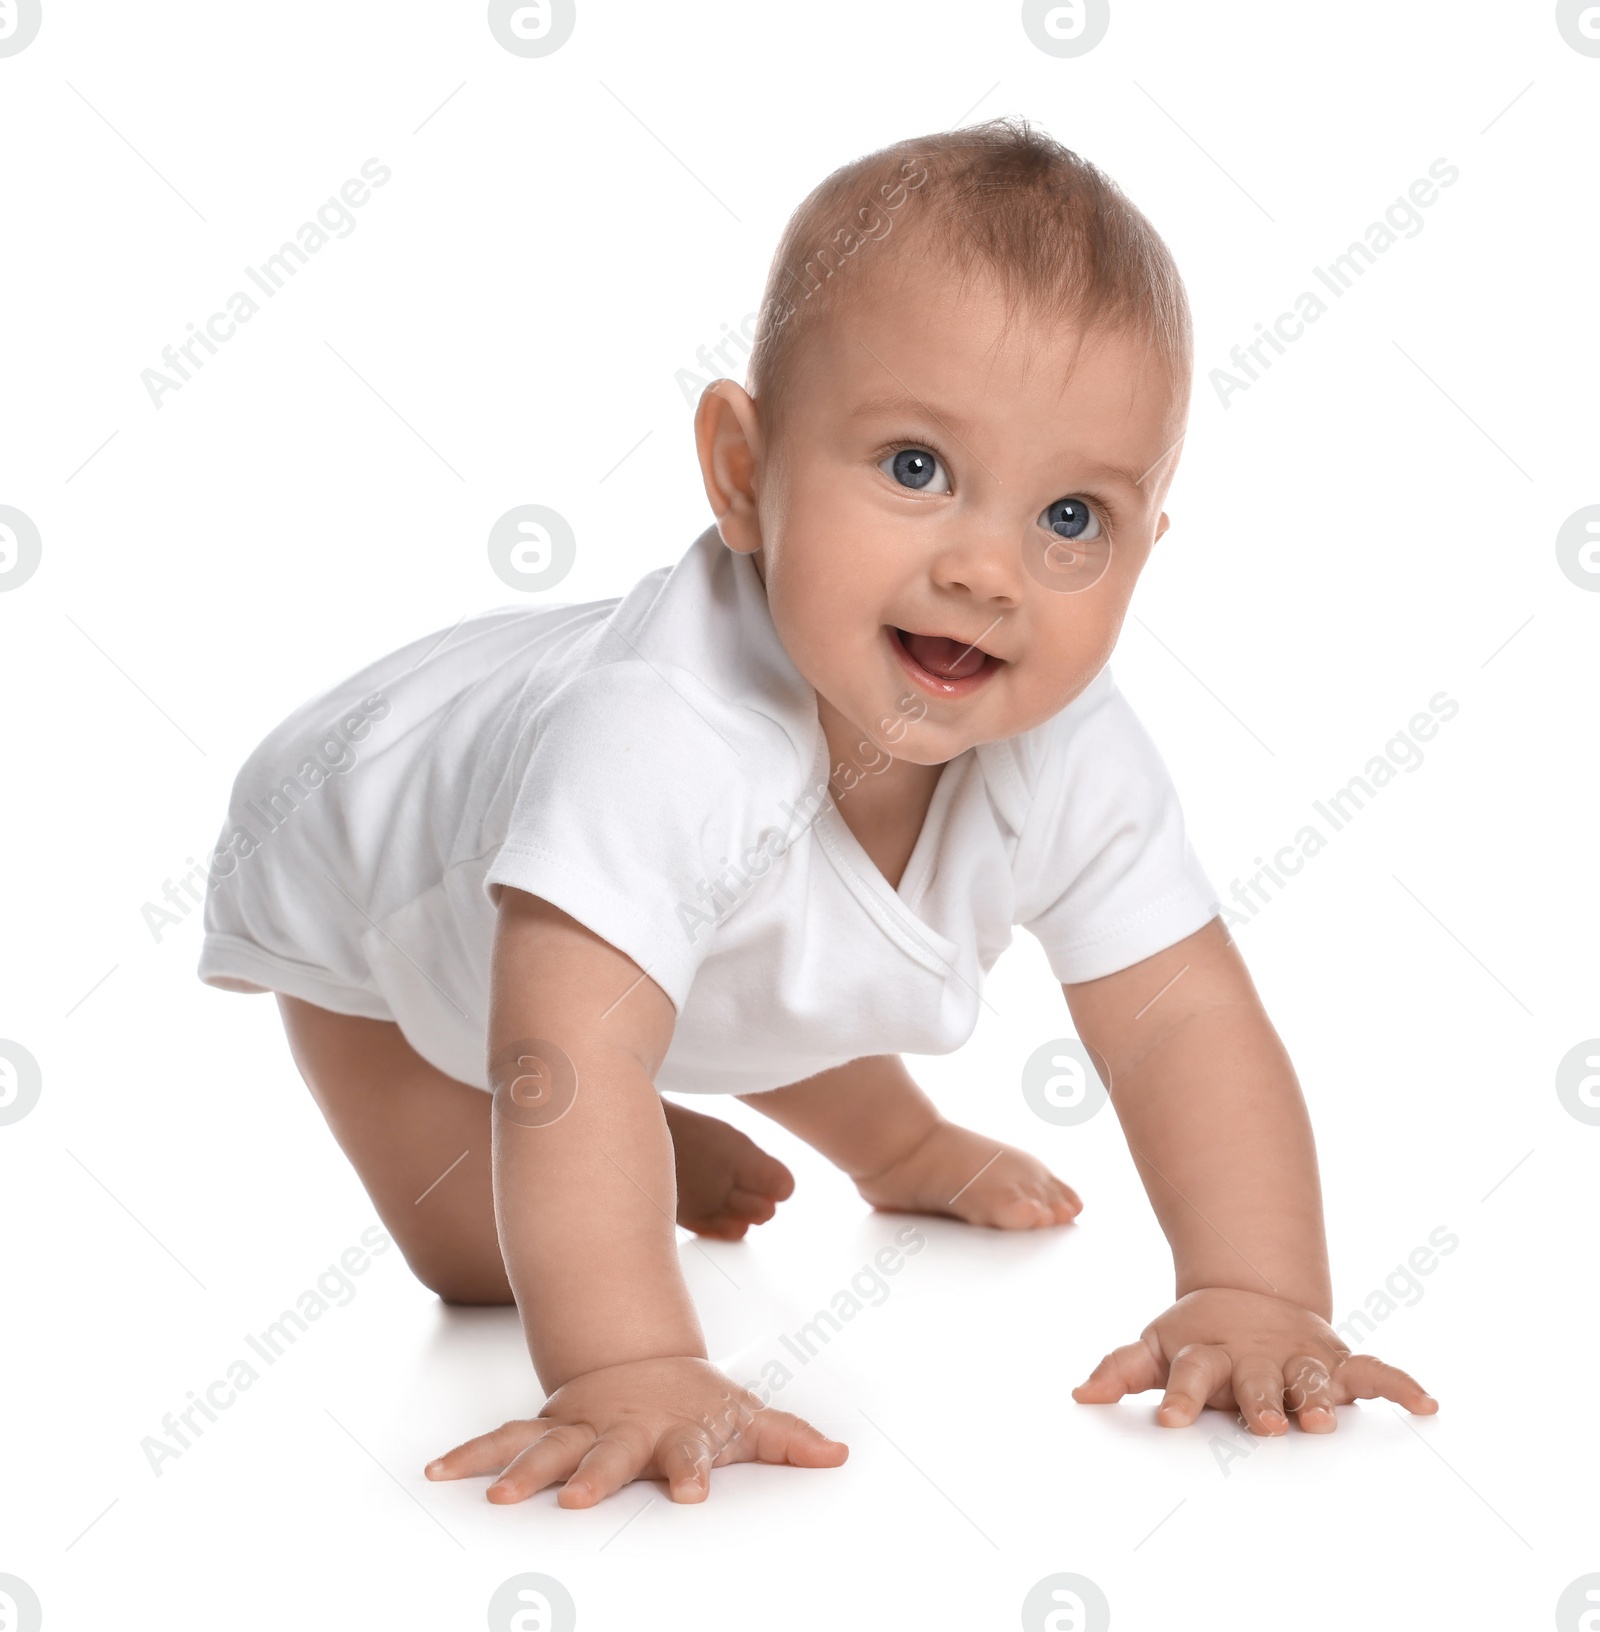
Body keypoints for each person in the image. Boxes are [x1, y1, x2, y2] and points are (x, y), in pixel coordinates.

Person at [198, 117, 1436, 1511]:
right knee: (486, 1255)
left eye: (1074, 518)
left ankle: (865, 1145)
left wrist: (1260, 1292)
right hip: (379, 883)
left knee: (781, 931)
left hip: (674, 932)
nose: (986, 570)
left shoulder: (1072, 745)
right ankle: (645, 1137)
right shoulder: (666, 738)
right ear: (742, 474)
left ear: (1149, 550)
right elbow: (554, 1049)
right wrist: (630, 1364)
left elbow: (1188, 1021)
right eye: (915, 467)